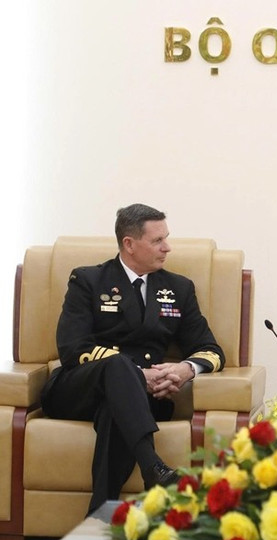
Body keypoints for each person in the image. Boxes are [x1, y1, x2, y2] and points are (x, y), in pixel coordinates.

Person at [40, 204, 225, 515]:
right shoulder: (88, 281)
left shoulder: (178, 288)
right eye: (157, 241)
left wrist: (185, 369)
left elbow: (211, 350)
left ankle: (99, 515)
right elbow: (73, 349)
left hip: (141, 399)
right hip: (77, 389)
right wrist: (139, 374)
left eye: (167, 238)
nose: (167, 247)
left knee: (117, 406)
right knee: (117, 366)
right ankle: (152, 466)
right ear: (129, 244)